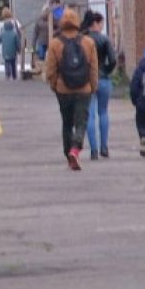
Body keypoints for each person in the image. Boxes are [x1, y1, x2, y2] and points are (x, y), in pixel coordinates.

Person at [43, 9, 98, 170]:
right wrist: (92, 87)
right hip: (84, 90)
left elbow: (51, 70)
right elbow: (93, 69)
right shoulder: (88, 43)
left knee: (67, 123)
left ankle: (68, 155)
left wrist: (54, 85)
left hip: (63, 90)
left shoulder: (55, 43)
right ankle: (76, 149)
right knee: (81, 122)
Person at [81, 10, 117, 159]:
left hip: (87, 80)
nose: (102, 26)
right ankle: (104, 147)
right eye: (101, 23)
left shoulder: (82, 40)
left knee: (90, 115)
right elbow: (113, 60)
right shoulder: (104, 40)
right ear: (95, 23)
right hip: (103, 79)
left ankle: (93, 150)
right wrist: (106, 71)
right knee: (103, 112)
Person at [0, 7, 22, 81]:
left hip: (4, 47)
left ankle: (7, 74)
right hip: (13, 46)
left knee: (6, 61)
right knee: (13, 61)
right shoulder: (15, 22)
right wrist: (19, 47)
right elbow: (19, 33)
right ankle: (14, 75)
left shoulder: (1, 25)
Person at [32, 0, 57, 67]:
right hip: (42, 42)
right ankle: (42, 71)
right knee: (41, 57)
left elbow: (59, 28)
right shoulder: (39, 21)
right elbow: (35, 33)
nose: (46, 12)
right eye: (45, 11)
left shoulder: (53, 19)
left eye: (47, 11)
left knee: (51, 58)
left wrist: (55, 32)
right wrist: (33, 44)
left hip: (51, 42)